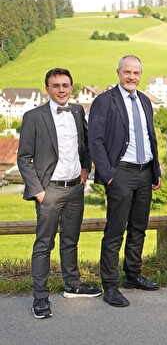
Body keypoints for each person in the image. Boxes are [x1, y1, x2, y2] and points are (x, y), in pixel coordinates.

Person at [18, 68, 102, 319]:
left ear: (72, 88)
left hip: (75, 188)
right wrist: (39, 192)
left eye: (66, 85)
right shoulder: (33, 116)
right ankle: (40, 298)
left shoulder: (77, 111)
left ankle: (73, 285)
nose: (61, 89)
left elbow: (85, 145)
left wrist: (86, 168)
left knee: (70, 240)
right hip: (50, 191)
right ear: (47, 89)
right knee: (44, 244)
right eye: (56, 86)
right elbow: (24, 158)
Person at [88, 55, 162, 307]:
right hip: (120, 173)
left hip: (144, 172)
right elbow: (95, 140)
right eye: (127, 72)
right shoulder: (104, 101)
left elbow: (151, 138)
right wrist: (108, 174)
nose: (132, 77)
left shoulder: (144, 100)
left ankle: (132, 275)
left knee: (139, 227)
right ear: (118, 72)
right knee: (115, 232)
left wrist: (156, 170)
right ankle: (110, 285)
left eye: (136, 73)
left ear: (141, 75)